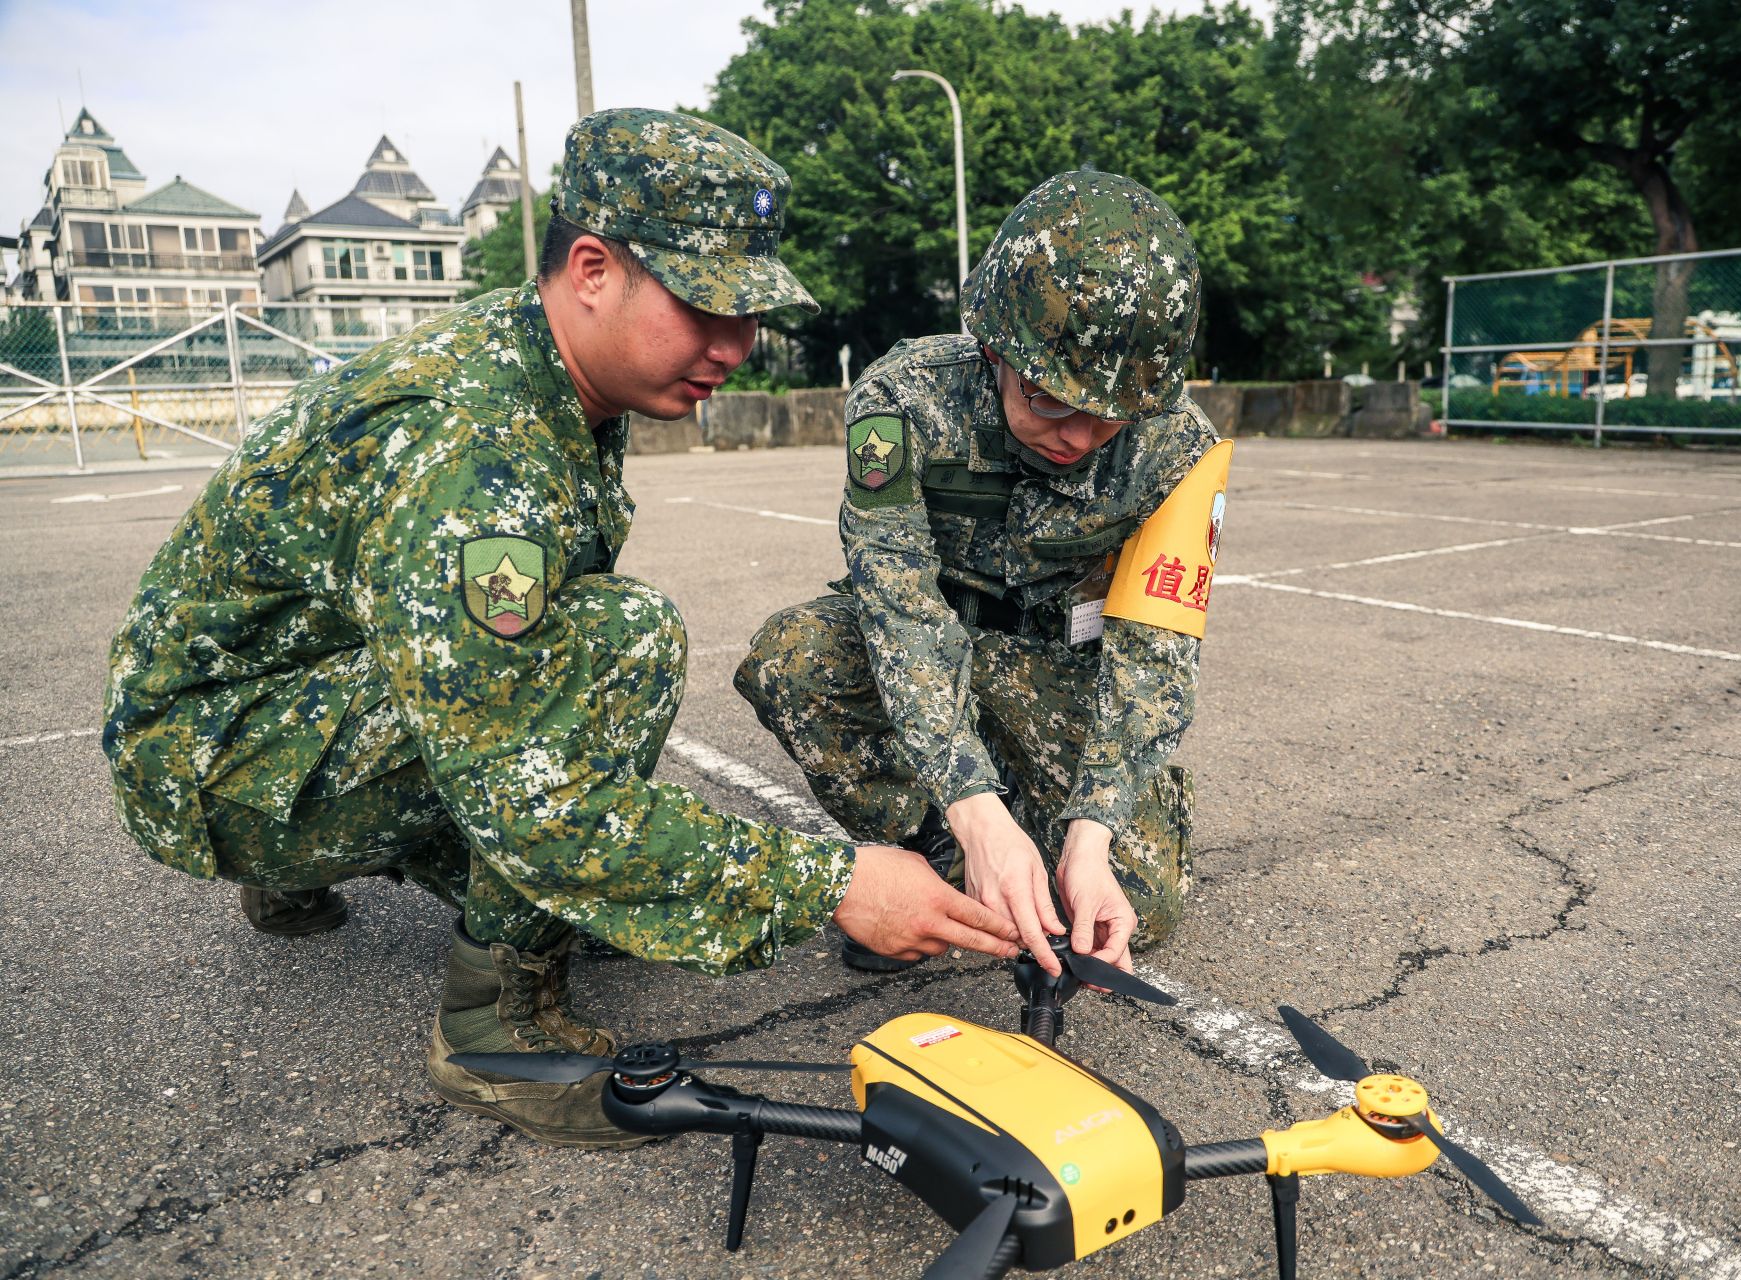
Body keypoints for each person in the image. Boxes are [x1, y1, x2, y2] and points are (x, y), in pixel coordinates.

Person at [101, 108, 1018, 1150]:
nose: (735, 346)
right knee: (618, 642)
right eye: (704, 306)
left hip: (255, 703)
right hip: (209, 762)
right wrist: (835, 883)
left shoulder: (545, 360)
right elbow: (529, 794)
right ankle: (496, 1027)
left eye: (750, 313)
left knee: (543, 680)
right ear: (591, 269)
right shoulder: (479, 451)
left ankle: (302, 866)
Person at [736, 170, 1229, 982]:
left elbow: (1154, 662)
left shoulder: (1180, 451)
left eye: (1106, 413)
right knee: (798, 658)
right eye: (1046, 398)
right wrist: (973, 817)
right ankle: (924, 859)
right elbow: (897, 609)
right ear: (995, 350)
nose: (1074, 434)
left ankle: (1040, 838)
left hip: (1054, 672)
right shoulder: (904, 401)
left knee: (1136, 901)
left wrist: (1094, 829)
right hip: (930, 652)